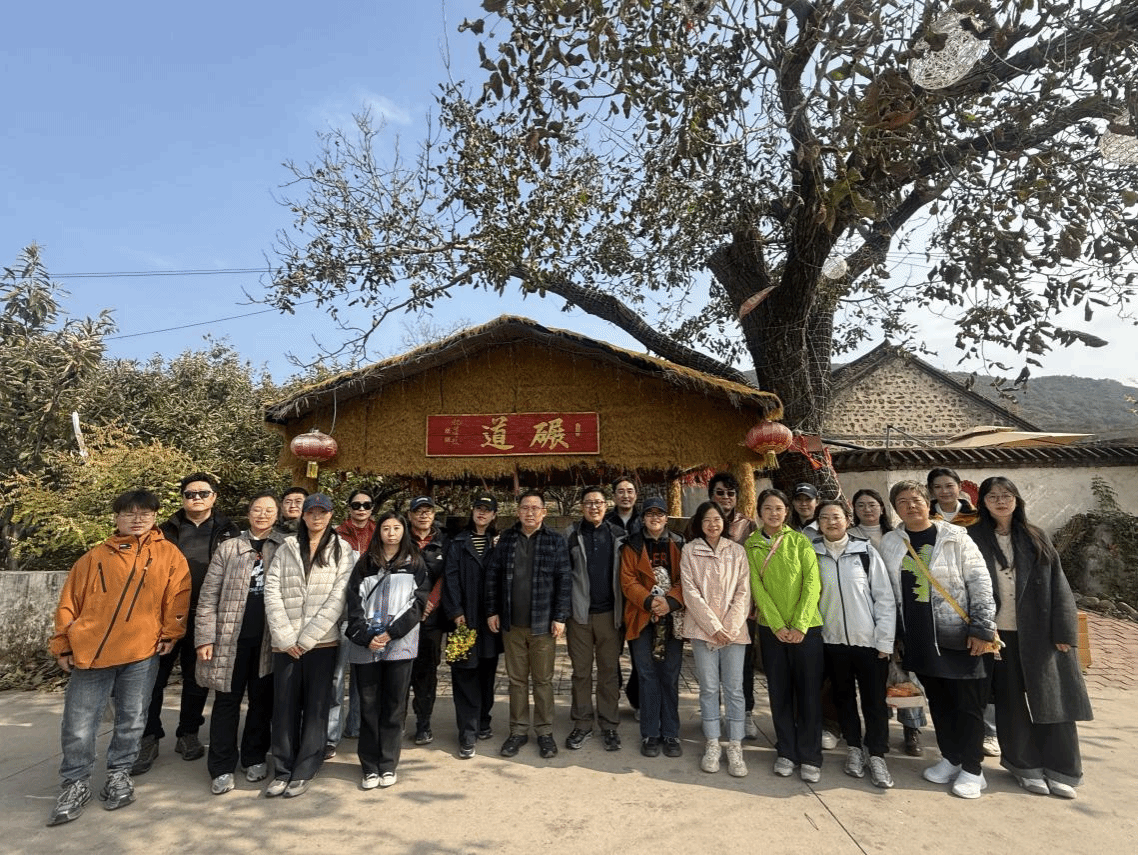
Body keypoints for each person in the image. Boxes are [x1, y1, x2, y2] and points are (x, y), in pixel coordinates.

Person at [47, 489, 190, 826]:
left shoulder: (169, 555)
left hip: (141, 652)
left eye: (145, 513)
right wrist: (62, 644)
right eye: (129, 513)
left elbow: (178, 596)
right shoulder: (94, 558)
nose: (137, 519)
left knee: (132, 718)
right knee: (79, 724)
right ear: (116, 518)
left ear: (155, 517)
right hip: (91, 654)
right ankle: (75, 782)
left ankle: (119, 774)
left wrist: (171, 633)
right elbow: (68, 603)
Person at [969, 477, 1093, 799]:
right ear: (983, 502)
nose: (1000, 501)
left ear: (1016, 499)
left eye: (1006, 495)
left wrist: (1064, 631)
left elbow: (1059, 585)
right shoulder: (973, 538)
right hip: (998, 635)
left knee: (1053, 700)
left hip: (1040, 632)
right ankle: (1024, 767)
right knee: (1010, 703)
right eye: (993, 496)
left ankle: (1062, 770)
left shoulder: (1035, 536)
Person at [879, 480, 997, 799]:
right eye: (902, 501)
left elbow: (980, 583)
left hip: (959, 636)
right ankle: (951, 757)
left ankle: (973, 769)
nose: (910, 506)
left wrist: (982, 629)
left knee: (968, 705)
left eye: (915, 499)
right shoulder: (891, 542)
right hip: (919, 638)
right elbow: (889, 592)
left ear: (927, 502)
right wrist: (895, 636)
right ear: (895, 508)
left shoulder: (955, 536)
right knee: (940, 703)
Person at [134, 473, 239, 774]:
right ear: (182, 498)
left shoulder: (229, 531)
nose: (196, 498)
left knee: (197, 679)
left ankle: (188, 733)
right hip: (163, 614)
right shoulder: (164, 530)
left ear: (214, 497)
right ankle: (149, 736)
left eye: (203, 493)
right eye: (190, 494)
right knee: (153, 678)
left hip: (205, 615)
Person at [263, 493, 354, 798]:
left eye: (322, 512)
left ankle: (305, 767)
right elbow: (272, 592)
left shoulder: (342, 549)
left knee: (316, 707)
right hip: (285, 643)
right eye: (311, 512)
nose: (316, 517)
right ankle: (283, 768)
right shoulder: (286, 547)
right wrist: (286, 638)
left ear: (330, 515)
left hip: (322, 642)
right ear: (302, 515)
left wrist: (307, 638)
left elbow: (339, 597)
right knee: (284, 706)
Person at [194, 492, 283, 795]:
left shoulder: (284, 547)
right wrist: (205, 637)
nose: (262, 514)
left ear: (277, 515)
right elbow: (208, 596)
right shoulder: (229, 547)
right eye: (257, 509)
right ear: (248, 513)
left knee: (261, 701)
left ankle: (254, 756)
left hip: (268, 640)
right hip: (229, 640)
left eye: (269, 510)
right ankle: (221, 766)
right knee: (226, 702)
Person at [812, 500, 896, 789]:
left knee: (874, 702)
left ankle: (877, 754)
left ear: (847, 520)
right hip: (832, 641)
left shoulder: (866, 552)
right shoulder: (813, 553)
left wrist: (884, 640)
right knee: (843, 699)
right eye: (824, 517)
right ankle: (854, 748)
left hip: (868, 642)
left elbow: (884, 598)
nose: (831, 522)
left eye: (836, 516)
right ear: (818, 523)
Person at [345, 511, 430, 789]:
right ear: (378, 531)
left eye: (396, 528)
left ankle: (388, 763)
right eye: (385, 528)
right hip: (367, 643)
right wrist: (366, 635)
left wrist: (392, 632)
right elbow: (353, 601)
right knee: (368, 705)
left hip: (400, 643)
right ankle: (369, 766)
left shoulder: (415, 563)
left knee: (394, 705)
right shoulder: (365, 563)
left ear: (404, 531)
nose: (391, 533)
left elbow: (418, 603)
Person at [745, 488, 824, 782]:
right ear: (759, 512)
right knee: (779, 693)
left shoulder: (800, 541)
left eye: (778, 508)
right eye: (768, 508)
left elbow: (812, 584)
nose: (773, 513)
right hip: (771, 630)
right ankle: (786, 752)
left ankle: (811, 756)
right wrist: (777, 625)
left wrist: (800, 625)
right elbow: (757, 588)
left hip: (807, 629)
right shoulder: (751, 545)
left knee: (808, 694)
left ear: (786, 512)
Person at [486, 489, 571, 760]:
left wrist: (560, 616)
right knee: (517, 681)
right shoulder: (506, 540)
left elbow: (564, 580)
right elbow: (493, 576)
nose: (530, 512)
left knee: (543, 681)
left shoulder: (555, 540)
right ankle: (518, 731)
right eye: (525, 507)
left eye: (535, 508)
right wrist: (492, 611)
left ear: (544, 512)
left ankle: (544, 732)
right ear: (518, 512)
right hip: (512, 623)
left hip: (543, 624)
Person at [927, 467, 998, 758]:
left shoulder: (979, 519)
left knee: (983, 672)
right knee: (946, 676)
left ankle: (988, 731)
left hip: (979, 598)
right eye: (938, 487)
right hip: (941, 607)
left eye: (949, 485)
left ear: (960, 487)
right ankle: (954, 736)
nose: (944, 491)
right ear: (931, 492)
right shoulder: (925, 520)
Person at [853, 487, 927, 757]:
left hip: (900, 611)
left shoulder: (896, 536)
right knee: (876, 676)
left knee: (906, 672)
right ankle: (879, 729)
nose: (867, 510)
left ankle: (912, 730)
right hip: (865, 613)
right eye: (861, 505)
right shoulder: (850, 537)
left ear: (882, 508)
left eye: (872, 504)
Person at [681, 501, 751, 776]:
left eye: (717, 519)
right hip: (702, 631)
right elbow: (690, 592)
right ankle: (712, 743)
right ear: (699, 523)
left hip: (734, 633)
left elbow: (743, 592)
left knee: (734, 689)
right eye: (707, 520)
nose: (713, 524)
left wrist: (728, 629)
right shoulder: (690, 551)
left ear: (725, 522)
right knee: (709, 688)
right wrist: (713, 628)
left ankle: (735, 745)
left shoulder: (737, 551)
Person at [620, 497, 685, 759]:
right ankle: (650, 732)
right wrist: (649, 602)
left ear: (667, 518)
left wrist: (670, 602)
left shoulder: (679, 543)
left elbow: (685, 578)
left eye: (660, 514)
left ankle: (670, 732)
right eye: (650, 514)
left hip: (672, 617)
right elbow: (628, 581)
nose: (655, 518)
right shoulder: (632, 545)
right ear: (643, 518)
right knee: (647, 676)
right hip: (642, 616)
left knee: (669, 675)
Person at [564, 486, 626, 751]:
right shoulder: (570, 534)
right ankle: (582, 724)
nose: (594, 507)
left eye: (598, 502)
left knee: (609, 672)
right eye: (589, 503)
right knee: (581, 673)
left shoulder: (619, 535)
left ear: (606, 505)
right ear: (581, 506)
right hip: (579, 616)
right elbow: (563, 575)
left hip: (610, 615)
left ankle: (609, 725)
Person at [442, 494, 504, 758]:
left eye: (487, 510)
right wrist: (455, 612)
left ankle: (483, 720)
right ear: (472, 511)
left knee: (487, 672)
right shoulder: (457, 542)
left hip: (489, 621)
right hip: (463, 622)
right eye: (478, 508)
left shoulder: (498, 543)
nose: (482, 513)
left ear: (494, 515)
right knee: (464, 674)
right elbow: (450, 578)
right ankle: (467, 732)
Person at [709, 471, 760, 739]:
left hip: (741, 608)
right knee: (712, 666)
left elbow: (755, 567)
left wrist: (752, 604)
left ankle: (745, 713)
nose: (726, 498)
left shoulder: (747, 525)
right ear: (711, 495)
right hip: (709, 608)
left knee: (743, 665)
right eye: (720, 493)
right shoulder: (701, 522)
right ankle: (716, 714)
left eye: (730, 493)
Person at [325, 488, 374, 758]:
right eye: (356, 505)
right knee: (336, 676)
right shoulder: (335, 535)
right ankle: (330, 735)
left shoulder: (380, 533)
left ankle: (355, 726)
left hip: (369, 615)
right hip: (341, 614)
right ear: (349, 508)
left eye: (366, 504)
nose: (361, 509)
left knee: (362, 676)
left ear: (372, 508)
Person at [407, 496, 448, 746]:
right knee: (400, 672)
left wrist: (430, 602)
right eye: (418, 511)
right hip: (402, 615)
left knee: (426, 673)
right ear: (410, 515)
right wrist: (414, 604)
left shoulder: (444, 541)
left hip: (432, 618)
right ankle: (395, 722)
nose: (423, 515)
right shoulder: (401, 538)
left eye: (428, 511)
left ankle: (424, 723)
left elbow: (447, 575)